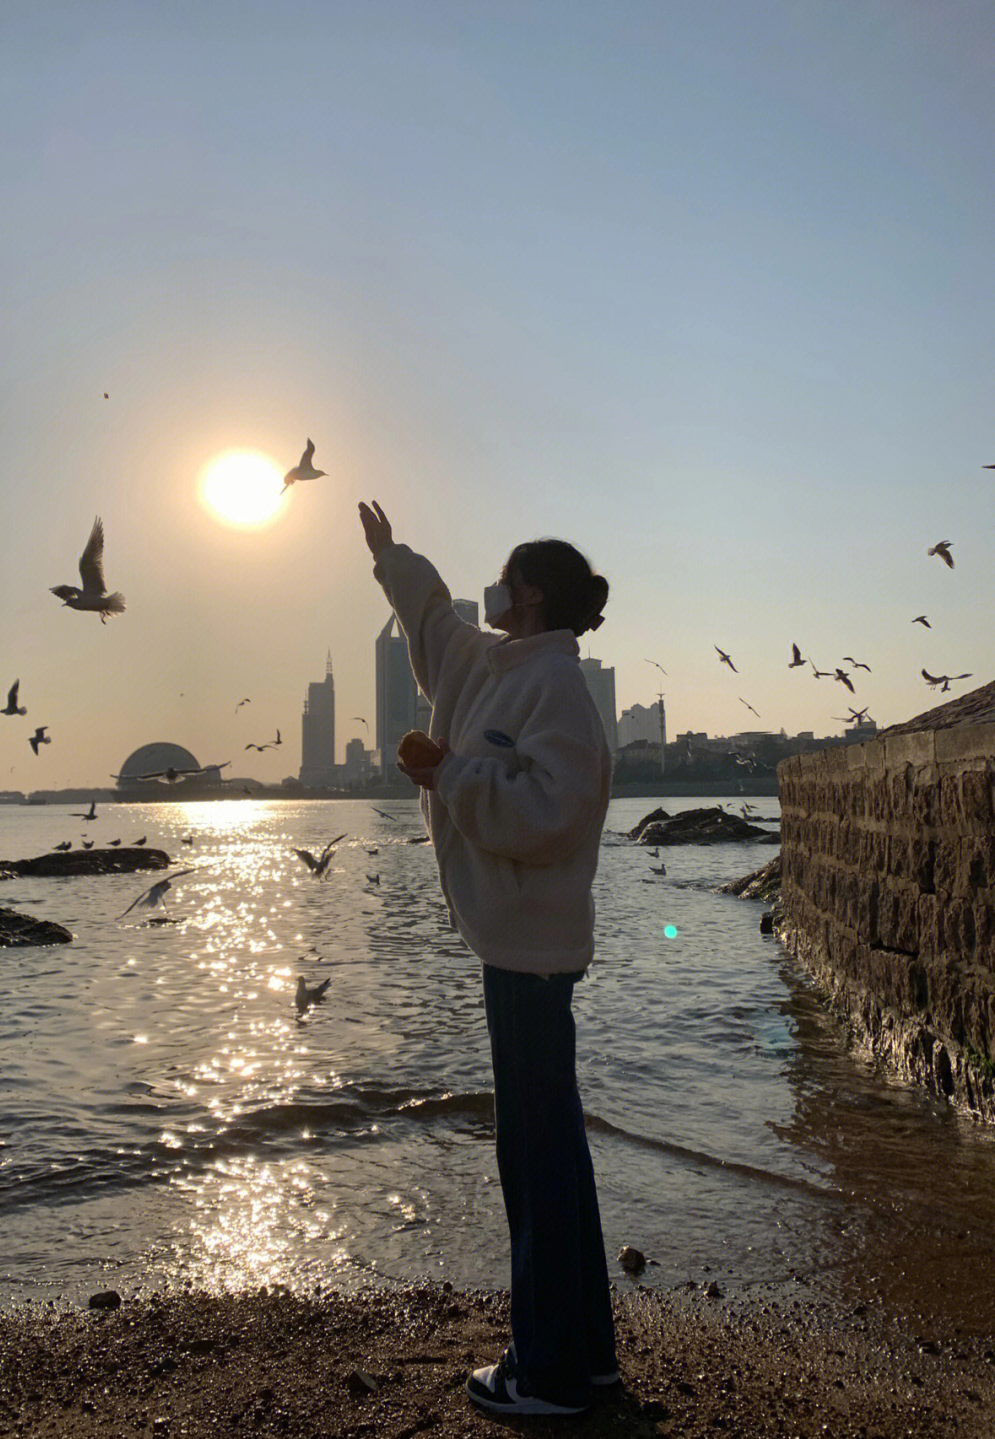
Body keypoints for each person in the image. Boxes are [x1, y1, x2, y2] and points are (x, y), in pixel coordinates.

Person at [358, 499, 617, 1417]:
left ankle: (545, 1372)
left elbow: (551, 813)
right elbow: (435, 623)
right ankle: (583, 1357)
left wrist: (449, 775)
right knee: (547, 1147)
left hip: (535, 954)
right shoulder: (494, 666)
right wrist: (391, 557)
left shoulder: (560, 692)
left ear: (531, 591)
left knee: (537, 1154)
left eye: (507, 575)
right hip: (509, 944)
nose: (493, 588)